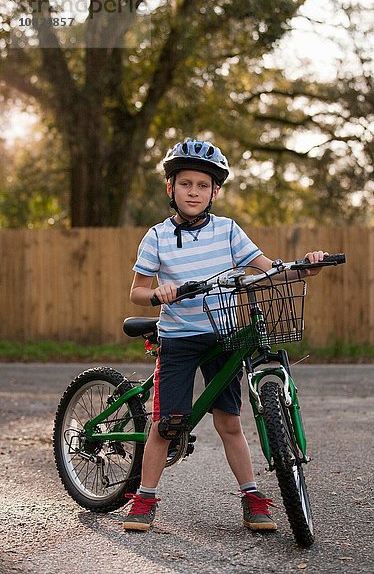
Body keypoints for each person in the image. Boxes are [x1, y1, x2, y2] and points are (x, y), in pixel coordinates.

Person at [123, 139, 326, 532]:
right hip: (179, 338)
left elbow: (269, 269)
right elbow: (136, 291)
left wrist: (306, 268)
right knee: (167, 424)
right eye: (185, 184)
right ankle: (144, 498)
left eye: (202, 185)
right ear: (171, 188)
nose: (194, 192)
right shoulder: (157, 237)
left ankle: (252, 497)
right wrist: (157, 293)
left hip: (223, 334)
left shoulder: (229, 231)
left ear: (215, 191)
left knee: (229, 422)